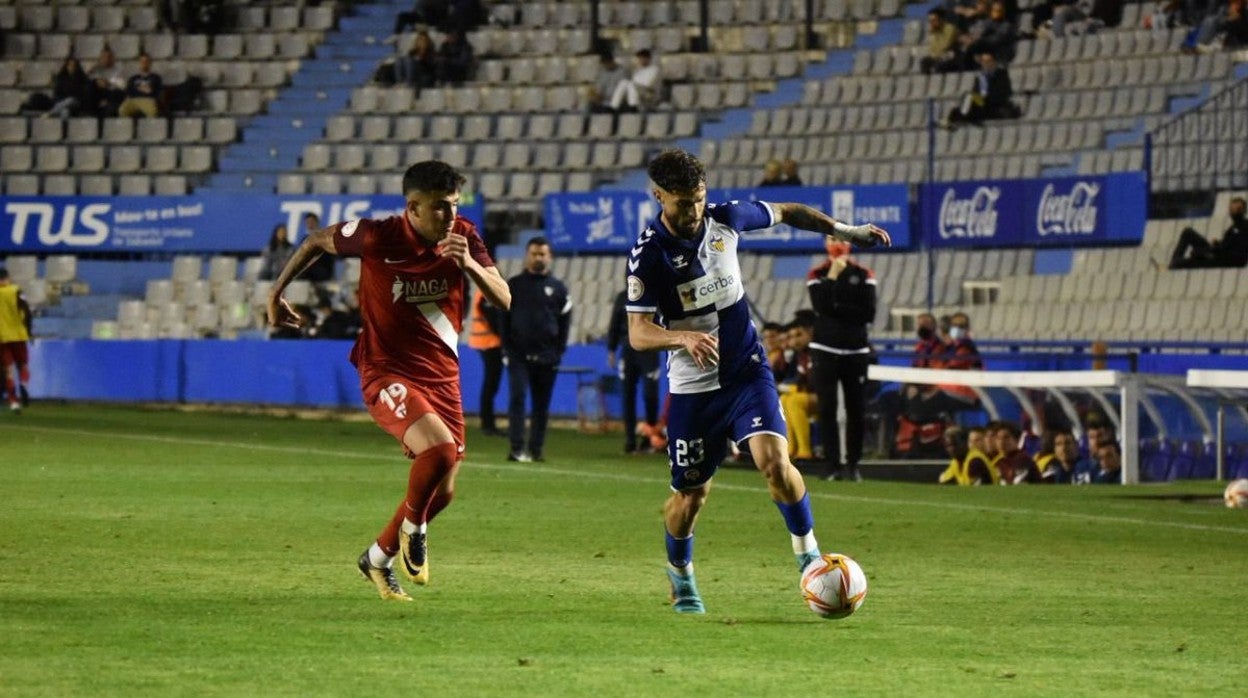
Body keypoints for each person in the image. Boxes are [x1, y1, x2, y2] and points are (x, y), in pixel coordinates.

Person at [623, 148, 890, 613]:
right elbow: (638, 333)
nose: (693, 211)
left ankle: (807, 556)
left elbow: (789, 211)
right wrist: (682, 337)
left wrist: (846, 231)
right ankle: (682, 577)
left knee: (774, 459)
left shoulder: (726, 220)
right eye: (682, 202)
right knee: (690, 497)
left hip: (746, 370)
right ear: (658, 196)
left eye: (699, 198)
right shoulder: (648, 256)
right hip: (693, 388)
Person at [266, 160, 511, 602]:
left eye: (454, 206)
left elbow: (505, 297)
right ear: (412, 207)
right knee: (436, 452)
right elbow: (315, 241)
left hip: (441, 374)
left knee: (446, 491)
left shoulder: (464, 237)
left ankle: (377, 558)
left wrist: (470, 264)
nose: (449, 217)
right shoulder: (377, 236)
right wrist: (276, 292)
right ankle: (412, 531)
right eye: (439, 208)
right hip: (386, 370)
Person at [807, 235, 877, 482]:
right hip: (824, 349)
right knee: (827, 409)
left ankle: (854, 464)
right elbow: (820, 306)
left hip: (856, 351)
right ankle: (832, 465)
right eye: (832, 238)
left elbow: (868, 313)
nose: (837, 243)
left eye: (841, 238)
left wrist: (835, 309)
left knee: (856, 409)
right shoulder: (818, 273)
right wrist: (833, 277)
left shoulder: (864, 273)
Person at [500, 237, 571, 462]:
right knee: (518, 399)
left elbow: (565, 323)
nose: (538, 257)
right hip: (518, 355)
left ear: (549, 257)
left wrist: (558, 352)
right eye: (534, 253)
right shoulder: (514, 285)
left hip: (547, 356)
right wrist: (507, 349)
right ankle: (516, 448)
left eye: (542, 254)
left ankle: (536, 449)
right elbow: (503, 319)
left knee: (542, 406)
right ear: (527, 255)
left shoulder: (558, 288)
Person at [608, 289, 662, 454]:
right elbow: (615, 323)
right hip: (628, 349)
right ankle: (630, 439)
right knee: (627, 394)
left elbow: (662, 320)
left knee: (650, 394)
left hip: (650, 348)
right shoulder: (622, 297)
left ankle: (649, 437)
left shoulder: (656, 295)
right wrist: (611, 349)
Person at [777, 313, 817, 464]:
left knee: (794, 401)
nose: (794, 341)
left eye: (799, 335)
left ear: (811, 332)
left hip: (827, 397)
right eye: (792, 336)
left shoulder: (817, 352)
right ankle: (791, 449)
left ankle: (805, 451)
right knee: (785, 399)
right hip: (811, 395)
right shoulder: (800, 354)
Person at [1168, 196, 1248, 269]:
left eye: (1237, 209)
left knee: (1187, 261)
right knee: (1188, 233)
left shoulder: (1244, 227)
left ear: (1243, 210)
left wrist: (1212, 250)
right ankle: (1174, 262)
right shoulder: (1233, 228)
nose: (1233, 212)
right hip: (1217, 253)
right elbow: (1226, 245)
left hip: (1222, 260)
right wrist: (1216, 244)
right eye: (1231, 210)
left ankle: (1174, 264)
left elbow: (1234, 252)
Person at [945, 52, 1019, 127]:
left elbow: (1004, 93)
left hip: (993, 105)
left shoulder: (1001, 75)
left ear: (994, 62)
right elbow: (975, 91)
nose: (986, 64)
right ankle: (958, 118)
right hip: (980, 104)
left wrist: (985, 97)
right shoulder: (980, 77)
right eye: (984, 62)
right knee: (964, 100)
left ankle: (962, 117)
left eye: (988, 61)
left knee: (969, 97)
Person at [467, 287, 504, 437]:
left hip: (485, 341)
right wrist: (504, 335)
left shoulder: (481, 291)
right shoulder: (487, 290)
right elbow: (491, 316)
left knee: (490, 384)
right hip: (489, 342)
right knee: (491, 384)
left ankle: (488, 423)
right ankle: (488, 424)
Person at [0, 267, 32, 413]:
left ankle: (13, 402)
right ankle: (24, 384)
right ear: (8, 277)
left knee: (8, 370)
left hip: (2, 337)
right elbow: (26, 310)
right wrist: (29, 330)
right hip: (18, 334)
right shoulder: (16, 290)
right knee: (23, 365)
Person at [117, 53, 163, 119]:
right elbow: (129, 90)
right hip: (133, 100)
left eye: (146, 61)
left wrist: (149, 91)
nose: (144, 63)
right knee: (122, 110)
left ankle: (150, 128)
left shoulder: (156, 77)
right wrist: (141, 88)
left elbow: (157, 91)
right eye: (142, 61)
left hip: (148, 99)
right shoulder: (133, 78)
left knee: (152, 111)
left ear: (150, 63)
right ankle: (127, 128)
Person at [87, 45, 126, 117]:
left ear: (113, 58)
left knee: (117, 94)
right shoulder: (95, 69)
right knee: (90, 86)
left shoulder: (119, 70)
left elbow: (122, 86)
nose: (106, 59)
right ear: (100, 58)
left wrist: (108, 83)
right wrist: (96, 81)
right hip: (98, 95)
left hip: (112, 95)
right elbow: (89, 82)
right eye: (104, 57)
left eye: (109, 57)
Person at [922, 8, 963, 74]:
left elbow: (945, 45)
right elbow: (932, 49)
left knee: (939, 66)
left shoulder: (950, 28)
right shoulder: (934, 31)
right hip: (939, 56)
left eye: (934, 20)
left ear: (941, 19)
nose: (931, 23)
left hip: (952, 56)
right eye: (930, 21)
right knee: (925, 62)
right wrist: (933, 33)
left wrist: (936, 55)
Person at [300, 213, 337, 284]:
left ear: (316, 222)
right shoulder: (304, 240)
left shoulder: (324, 237)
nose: (310, 224)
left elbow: (330, 256)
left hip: (323, 270)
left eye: (311, 222)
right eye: (308, 222)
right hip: (308, 273)